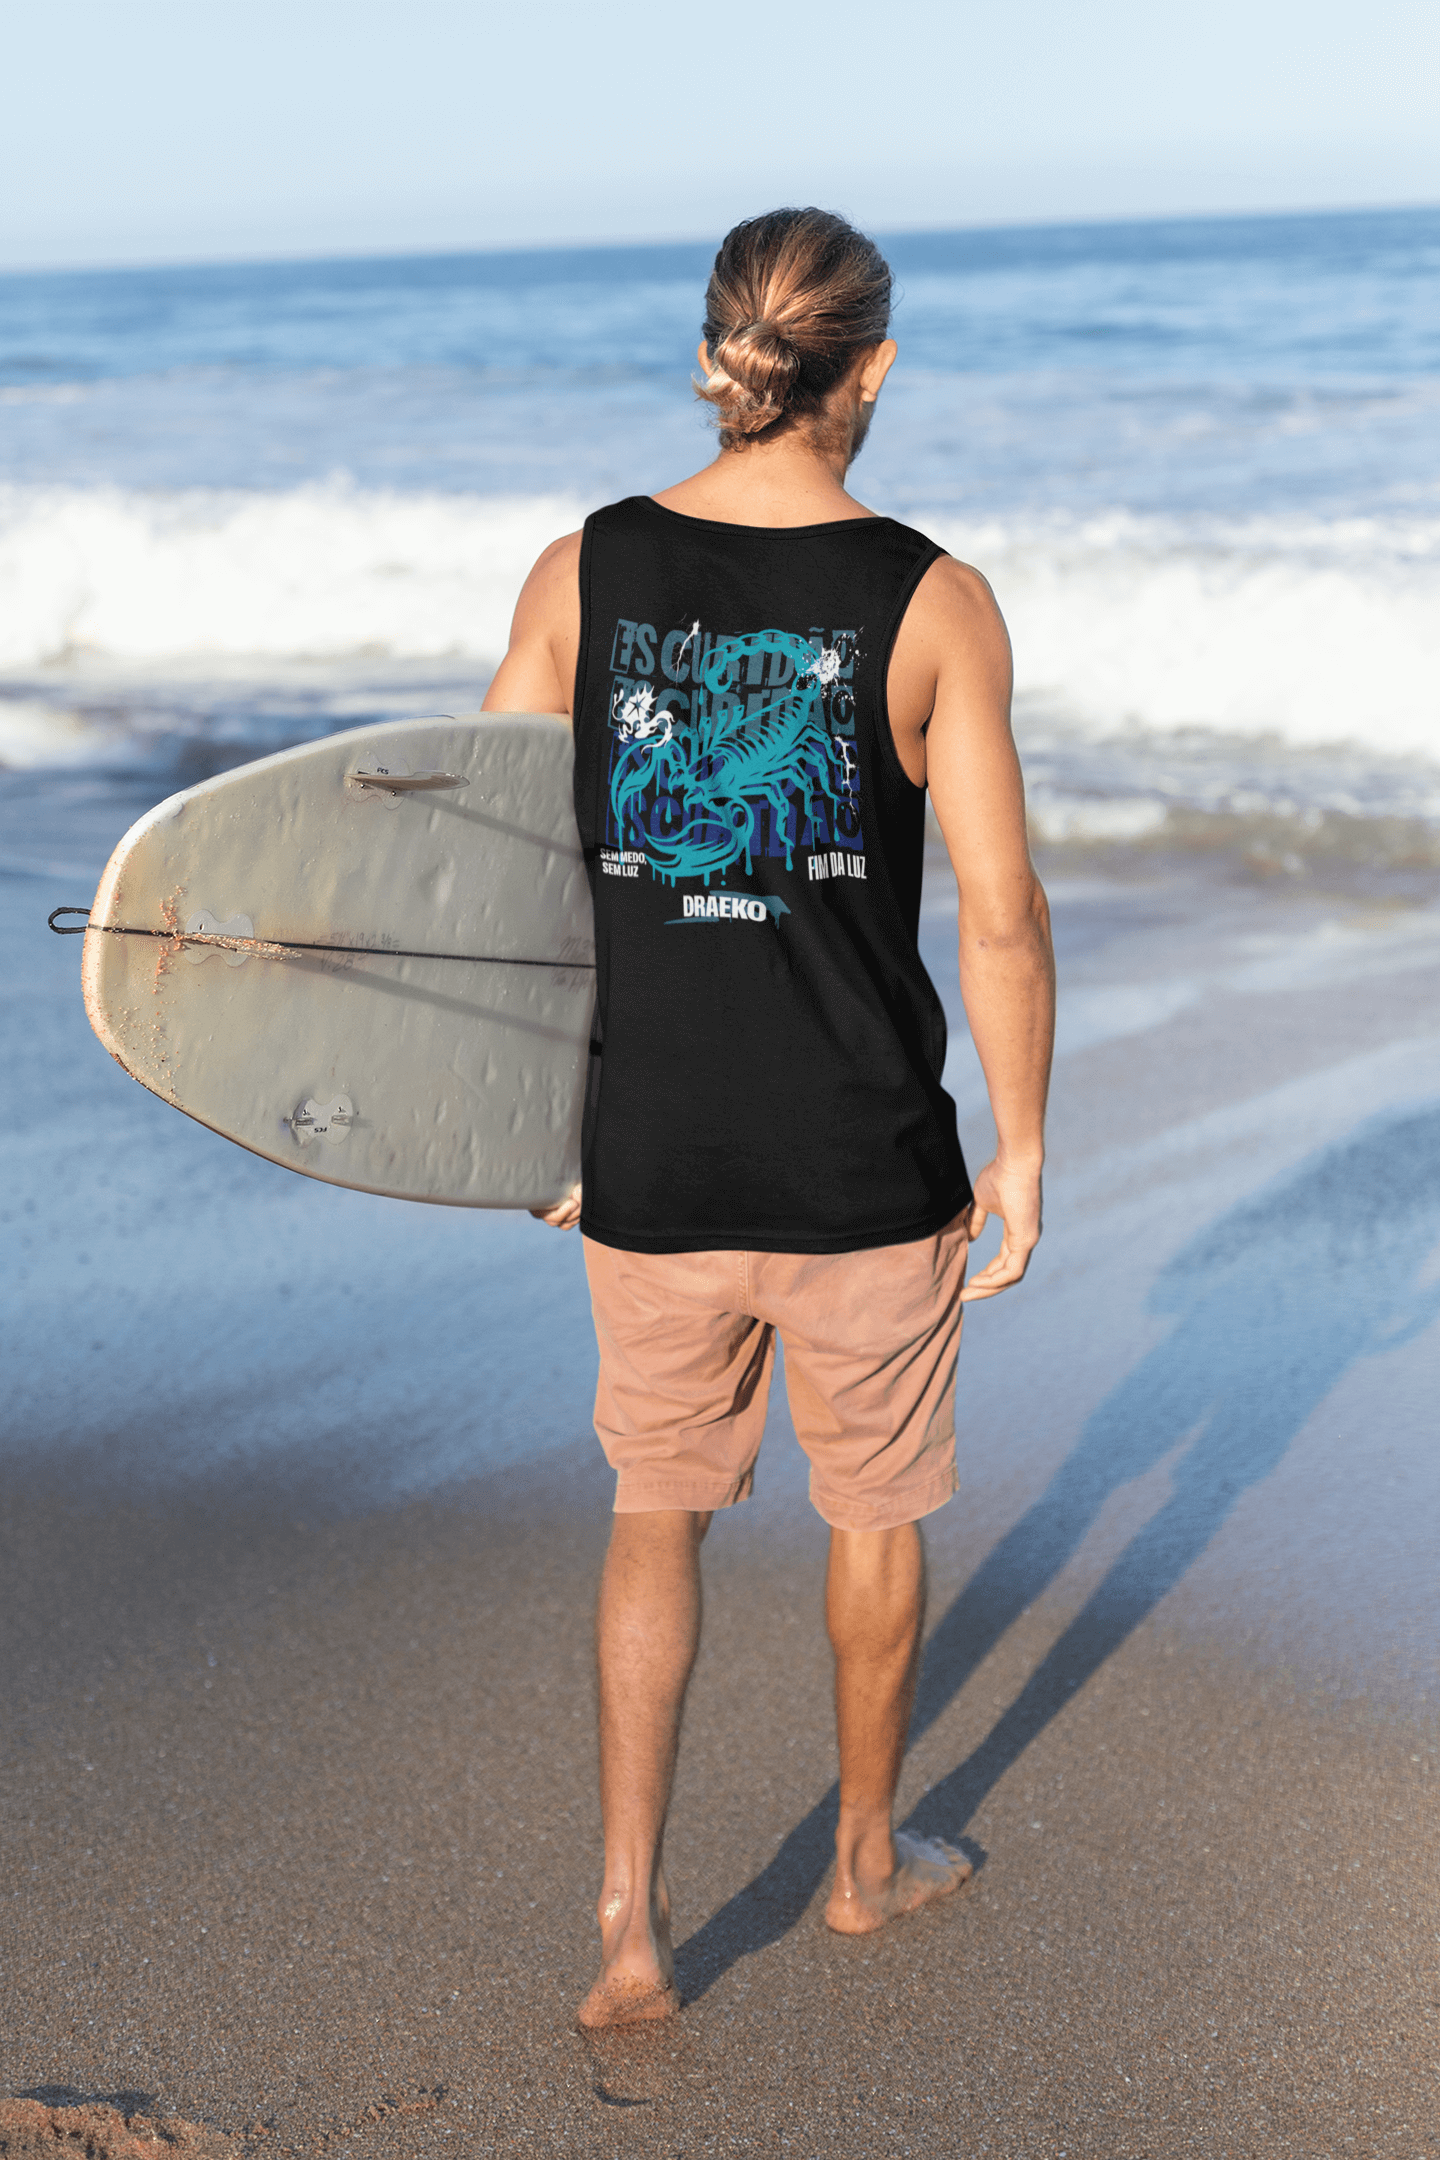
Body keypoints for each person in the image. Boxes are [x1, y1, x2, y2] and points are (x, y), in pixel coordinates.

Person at [482, 207, 1055, 2028]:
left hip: (646, 1156)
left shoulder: (582, 572)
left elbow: (487, 868)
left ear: (722, 352)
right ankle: (867, 1869)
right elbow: (1000, 912)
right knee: (871, 1514)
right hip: (863, 1165)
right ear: (871, 370)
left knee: (657, 1511)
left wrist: (524, 1126)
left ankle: (632, 1924)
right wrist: (1021, 1148)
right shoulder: (934, 596)